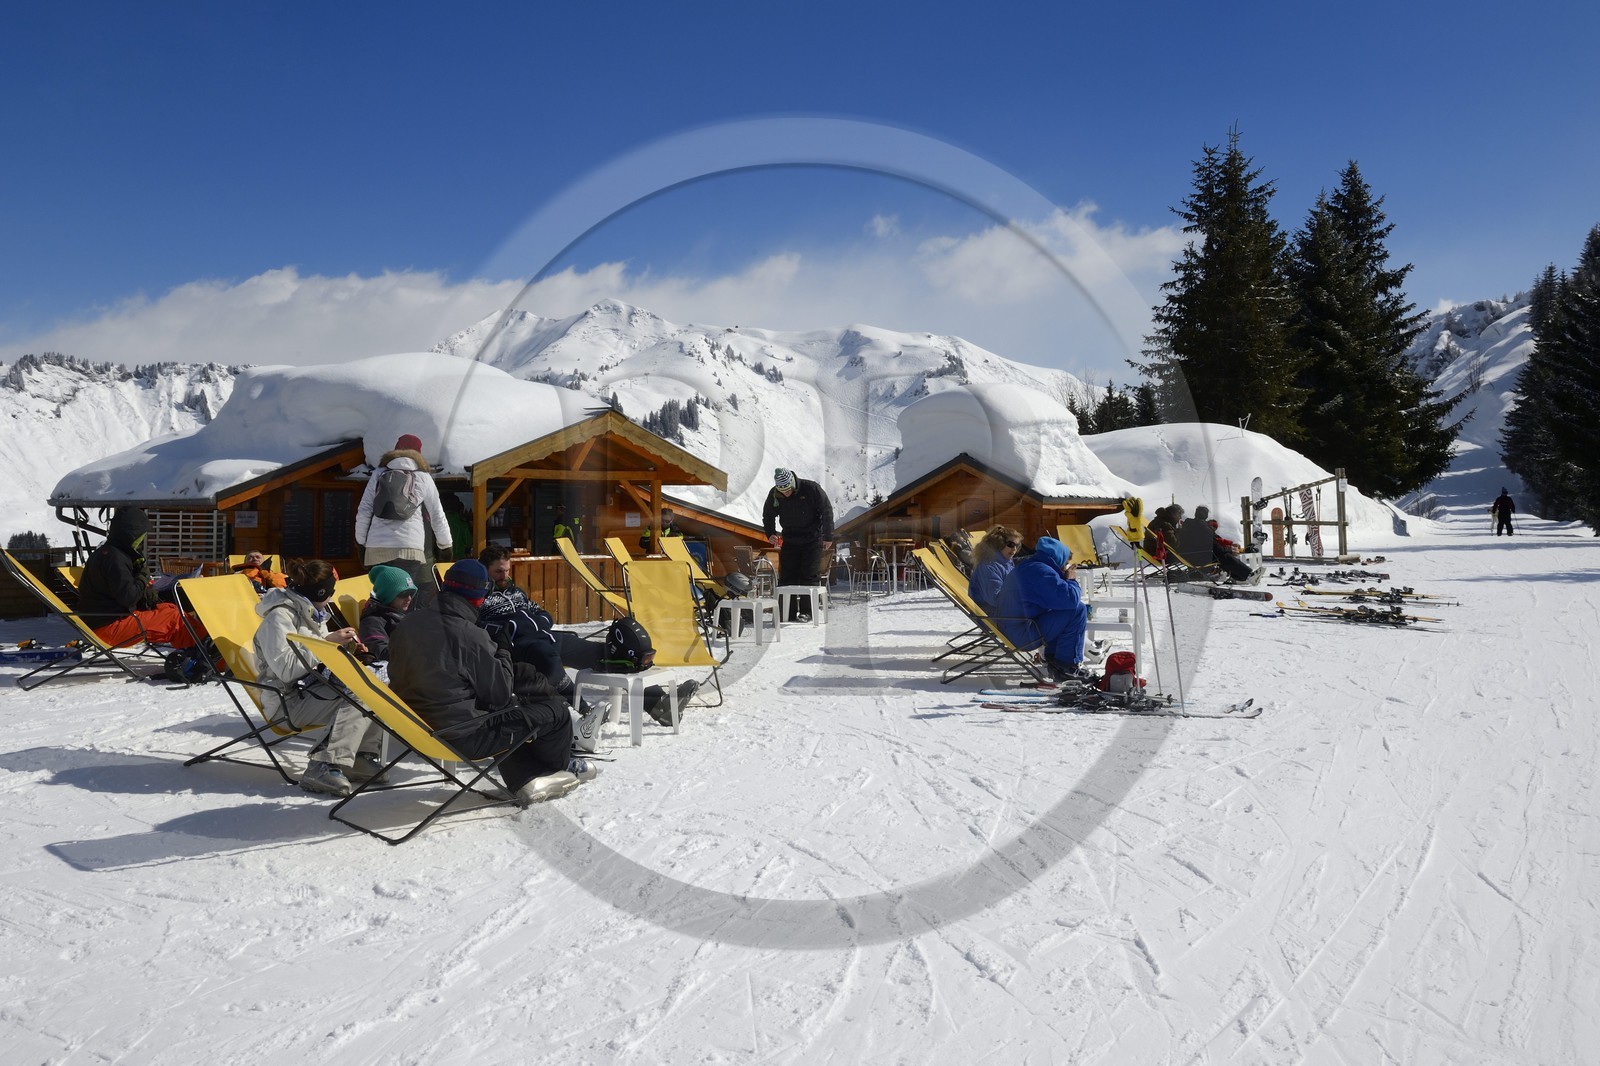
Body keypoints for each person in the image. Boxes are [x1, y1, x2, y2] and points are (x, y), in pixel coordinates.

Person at [388, 559, 592, 807]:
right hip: (462, 735)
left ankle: (525, 774)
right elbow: (500, 694)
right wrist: (503, 650)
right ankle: (549, 772)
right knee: (555, 712)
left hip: (416, 723)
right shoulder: (468, 633)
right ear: (478, 597)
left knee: (525, 675)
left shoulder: (408, 623)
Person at [475, 546, 694, 726]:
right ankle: (586, 715)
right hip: (521, 647)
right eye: (498, 572)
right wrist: (515, 626)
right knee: (550, 664)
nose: (505, 576)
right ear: (484, 571)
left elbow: (542, 613)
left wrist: (537, 621)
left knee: (609, 653)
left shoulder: (516, 592)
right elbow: (478, 626)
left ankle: (661, 706)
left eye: (507, 571)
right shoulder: (479, 597)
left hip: (547, 637)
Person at [252, 559, 385, 797]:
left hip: (310, 690)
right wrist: (327, 642)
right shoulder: (279, 619)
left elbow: (319, 659)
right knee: (360, 694)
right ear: (320, 592)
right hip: (285, 702)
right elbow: (287, 670)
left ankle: (359, 757)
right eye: (330, 592)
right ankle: (321, 765)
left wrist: (347, 650)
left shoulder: (312, 612)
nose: (332, 599)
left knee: (373, 684)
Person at [76, 506, 202, 649]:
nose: (141, 540)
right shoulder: (114, 558)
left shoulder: (111, 553)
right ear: (130, 534)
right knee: (175, 619)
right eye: (140, 536)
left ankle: (198, 652)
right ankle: (208, 655)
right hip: (109, 627)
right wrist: (142, 577)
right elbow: (128, 597)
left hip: (105, 621)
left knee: (170, 608)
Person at [354, 433, 451, 595]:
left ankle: (378, 620)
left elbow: (364, 510)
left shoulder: (379, 474)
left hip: (377, 547)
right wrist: (445, 546)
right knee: (404, 598)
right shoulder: (423, 477)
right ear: (419, 453)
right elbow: (437, 515)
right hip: (409, 547)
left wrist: (361, 543)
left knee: (382, 595)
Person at [994, 535, 1089, 683]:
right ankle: (1067, 666)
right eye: (1065, 562)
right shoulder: (1041, 572)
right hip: (1022, 634)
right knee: (1078, 609)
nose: (1065, 566)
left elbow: (1054, 598)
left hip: (1013, 626)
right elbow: (1070, 599)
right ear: (1058, 557)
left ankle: (1055, 660)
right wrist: (1070, 580)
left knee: (1060, 609)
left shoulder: (1031, 566)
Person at [762, 468, 834, 621]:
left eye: (788, 490)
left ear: (793, 483)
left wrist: (828, 536)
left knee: (809, 575)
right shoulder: (775, 494)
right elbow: (768, 514)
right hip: (789, 540)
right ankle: (786, 613)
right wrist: (770, 533)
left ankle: (807, 612)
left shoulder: (811, 488)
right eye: (782, 491)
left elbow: (826, 510)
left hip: (812, 539)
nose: (786, 493)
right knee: (787, 577)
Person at [357, 564, 416, 665]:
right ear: (387, 595)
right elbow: (381, 652)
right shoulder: (372, 621)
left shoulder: (400, 613)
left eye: (411, 592)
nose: (409, 598)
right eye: (404, 594)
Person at [968, 525, 1022, 614]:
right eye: (1011, 545)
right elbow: (996, 599)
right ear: (998, 544)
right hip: (996, 616)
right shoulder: (988, 566)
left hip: (1005, 612)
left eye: (1017, 545)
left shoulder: (1005, 562)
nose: (1014, 549)